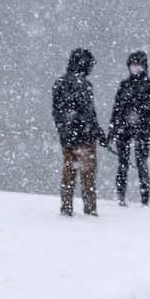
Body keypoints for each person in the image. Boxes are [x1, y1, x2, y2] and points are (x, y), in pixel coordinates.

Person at [52, 48, 103, 216]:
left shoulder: (60, 83)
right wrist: (97, 132)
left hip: (68, 137)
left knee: (68, 173)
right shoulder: (85, 85)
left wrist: (64, 132)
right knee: (88, 175)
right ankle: (90, 208)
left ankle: (66, 206)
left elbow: (57, 113)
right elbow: (89, 113)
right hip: (85, 138)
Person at [110, 50, 150, 207]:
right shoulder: (124, 85)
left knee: (141, 163)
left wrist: (144, 128)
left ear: (144, 66)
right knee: (122, 163)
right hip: (124, 129)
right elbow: (117, 109)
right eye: (132, 65)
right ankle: (121, 196)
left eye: (137, 65)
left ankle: (144, 199)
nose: (134, 68)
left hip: (142, 131)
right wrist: (113, 129)